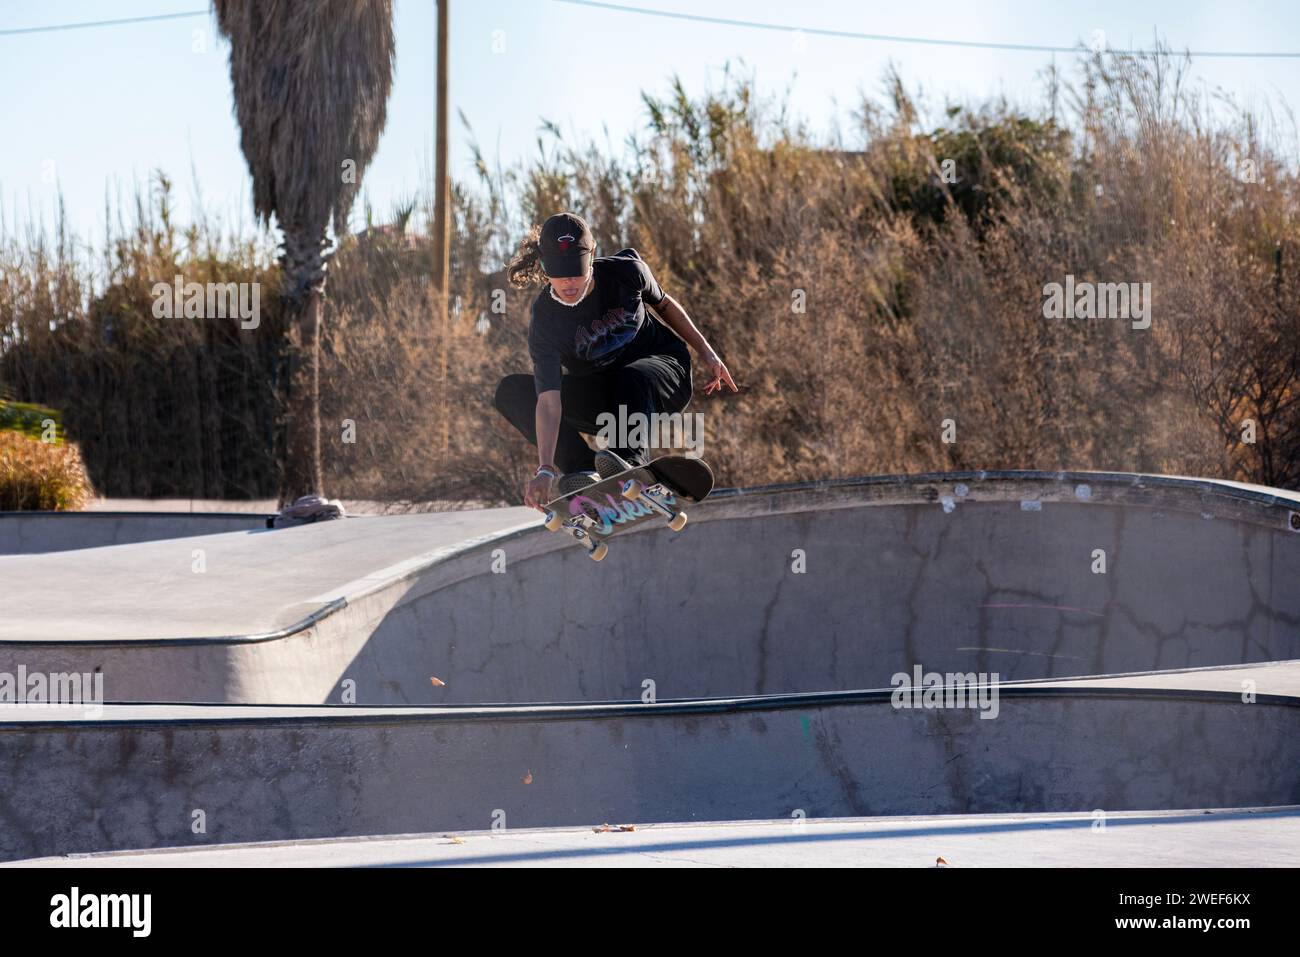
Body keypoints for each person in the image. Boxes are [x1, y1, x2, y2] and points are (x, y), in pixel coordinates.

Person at [494, 212, 736, 509]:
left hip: (661, 376)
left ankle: (630, 463)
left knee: (630, 376)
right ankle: (585, 472)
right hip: (605, 400)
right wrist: (545, 467)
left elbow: (665, 304)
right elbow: (548, 401)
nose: (569, 282)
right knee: (511, 392)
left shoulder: (626, 272)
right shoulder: (545, 318)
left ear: (592, 258)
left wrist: (707, 353)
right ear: (544, 267)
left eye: (577, 271)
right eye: (559, 273)